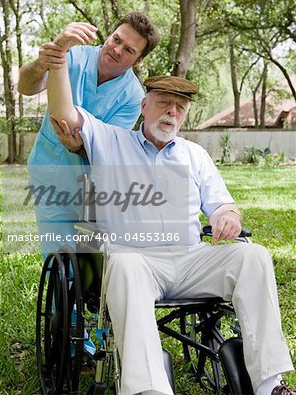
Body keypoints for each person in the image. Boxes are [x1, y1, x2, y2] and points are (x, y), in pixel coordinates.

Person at [47, 63, 295, 395]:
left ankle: (269, 384)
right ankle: (149, 389)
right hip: (138, 261)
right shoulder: (111, 142)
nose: (172, 111)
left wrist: (228, 217)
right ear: (144, 106)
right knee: (122, 263)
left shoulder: (196, 155)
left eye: (180, 106)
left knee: (254, 256)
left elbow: (223, 204)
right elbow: (65, 114)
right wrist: (60, 61)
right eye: (164, 102)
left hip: (191, 259)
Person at [18, 12, 160, 255]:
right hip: (48, 170)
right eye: (116, 40)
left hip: (95, 184)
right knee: (60, 254)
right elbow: (25, 87)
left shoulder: (133, 96)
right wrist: (44, 62)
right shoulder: (74, 56)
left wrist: (78, 146)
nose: (117, 50)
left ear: (138, 61)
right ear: (110, 35)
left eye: (128, 50)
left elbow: (110, 147)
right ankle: (64, 291)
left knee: (101, 255)